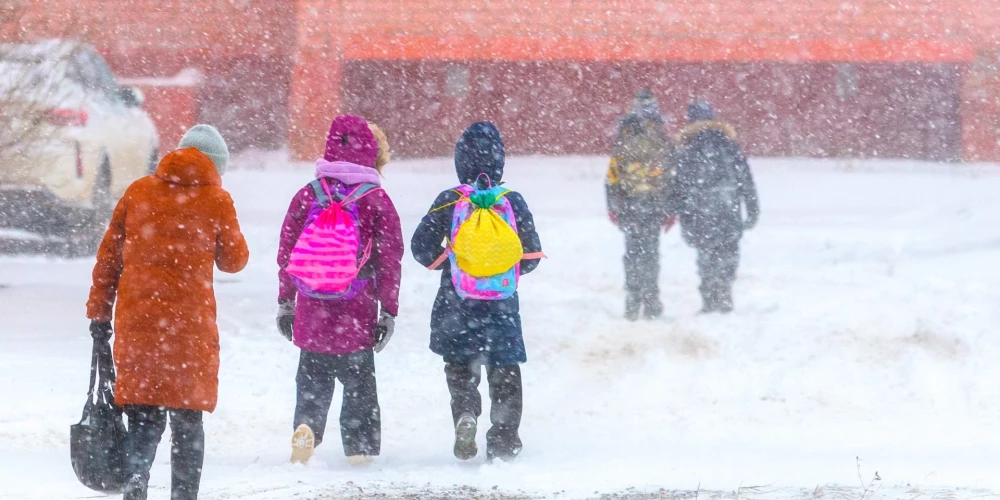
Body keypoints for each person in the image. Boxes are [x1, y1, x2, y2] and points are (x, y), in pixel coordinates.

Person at [86, 124, 249, 500]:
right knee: (188, 419)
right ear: (215, 166)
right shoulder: (217, 200)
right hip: (189, 330)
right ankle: (184, 496)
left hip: (138, 322)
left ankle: (136, 478)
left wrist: (99, 315)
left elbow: (108, 259)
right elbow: (234, 261)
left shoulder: (138, 191)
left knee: (144, 414)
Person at [410, 122, 543, 462]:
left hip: (457, 304)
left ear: (460, 161)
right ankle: (503, 440)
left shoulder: (448, 200)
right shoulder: (511, 200)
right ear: (500, 162)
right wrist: (501, 271)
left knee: (459, 368)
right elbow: (530, 255)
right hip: (501, 306)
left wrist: (454, 265)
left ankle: (466, 414)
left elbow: (421, 247)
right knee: (505, 373)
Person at [276, 115, 403, 467]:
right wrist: (388, 310)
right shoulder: (376, 199)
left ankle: (306, 427)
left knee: (312, 375)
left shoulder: (309, 194)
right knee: (359, 381)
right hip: (357, 306)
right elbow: (390, 258)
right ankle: (360, 446)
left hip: (312, 304)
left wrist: (286, 301)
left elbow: (287, 251)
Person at [667, 101, 760, 313]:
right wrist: (752, 208)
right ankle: (725, 296)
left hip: (700, 213)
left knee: (706, 257)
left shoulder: (687, 149)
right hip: (729, 210)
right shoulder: (729, 145)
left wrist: (676, 213)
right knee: (728, 253)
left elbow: (679, 186)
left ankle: (710, 300)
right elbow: (746, 180)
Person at [605, 89, 675, 321]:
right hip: (654, 205)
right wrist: (670, 208)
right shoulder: (663, 137)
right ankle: (651, 302)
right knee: (651, 254)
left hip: (630, 205)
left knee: (633, 254)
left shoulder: (624, 137)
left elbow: (612, 176)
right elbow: (671, 176)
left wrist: (613, 206)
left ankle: (633, 302)